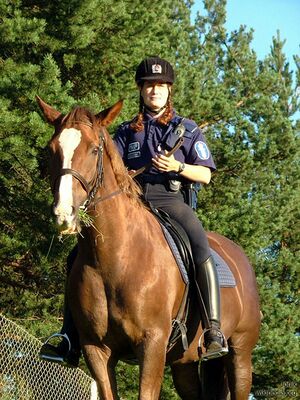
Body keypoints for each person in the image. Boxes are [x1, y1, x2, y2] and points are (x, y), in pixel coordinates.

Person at [39, 56, 228, 367]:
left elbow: (205, 174)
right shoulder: (126, 131)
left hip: (171, 202)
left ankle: (213, 331)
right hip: (133, 204)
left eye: (161, 86)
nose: (154, 91)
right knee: (77, 258)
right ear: (141, 90)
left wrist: (178, 166)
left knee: (200, 247)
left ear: (169, 91)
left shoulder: (187, 129)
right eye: (149, 85)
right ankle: (69, 338)